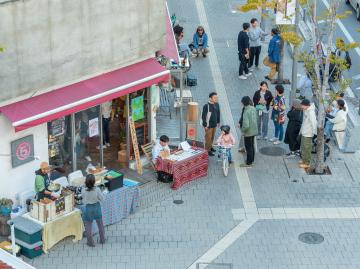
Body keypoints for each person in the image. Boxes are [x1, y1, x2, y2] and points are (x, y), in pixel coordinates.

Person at [82, 174, 105, 247]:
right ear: (94, 181)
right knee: (100, 225)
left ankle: (90, 242)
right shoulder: (97, 189)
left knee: (88, 226)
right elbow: (102, 199)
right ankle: (102, 240)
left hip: (89, 208)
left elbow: (84, 201)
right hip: (97, 207)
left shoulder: (83, 190)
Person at [239, 96, 258, 167]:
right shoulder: (253, 108)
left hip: (248, 132)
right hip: (254, 130)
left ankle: (249, 162)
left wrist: (243, 130)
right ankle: (252, 160)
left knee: (248, 147)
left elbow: (246, 125)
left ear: (243, 103)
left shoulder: (246, 111)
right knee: (252, 146)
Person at [299, 99, 317, 169]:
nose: (301, 106)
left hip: (308, 133)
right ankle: (304, 160)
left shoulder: (311, 112)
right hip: (304, 132)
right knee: (303, 147)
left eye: (302, 105)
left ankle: (307, 163)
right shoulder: (306, 110)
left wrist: (314, 133)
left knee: (307, 148)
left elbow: (314, 123)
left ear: (306, 105)